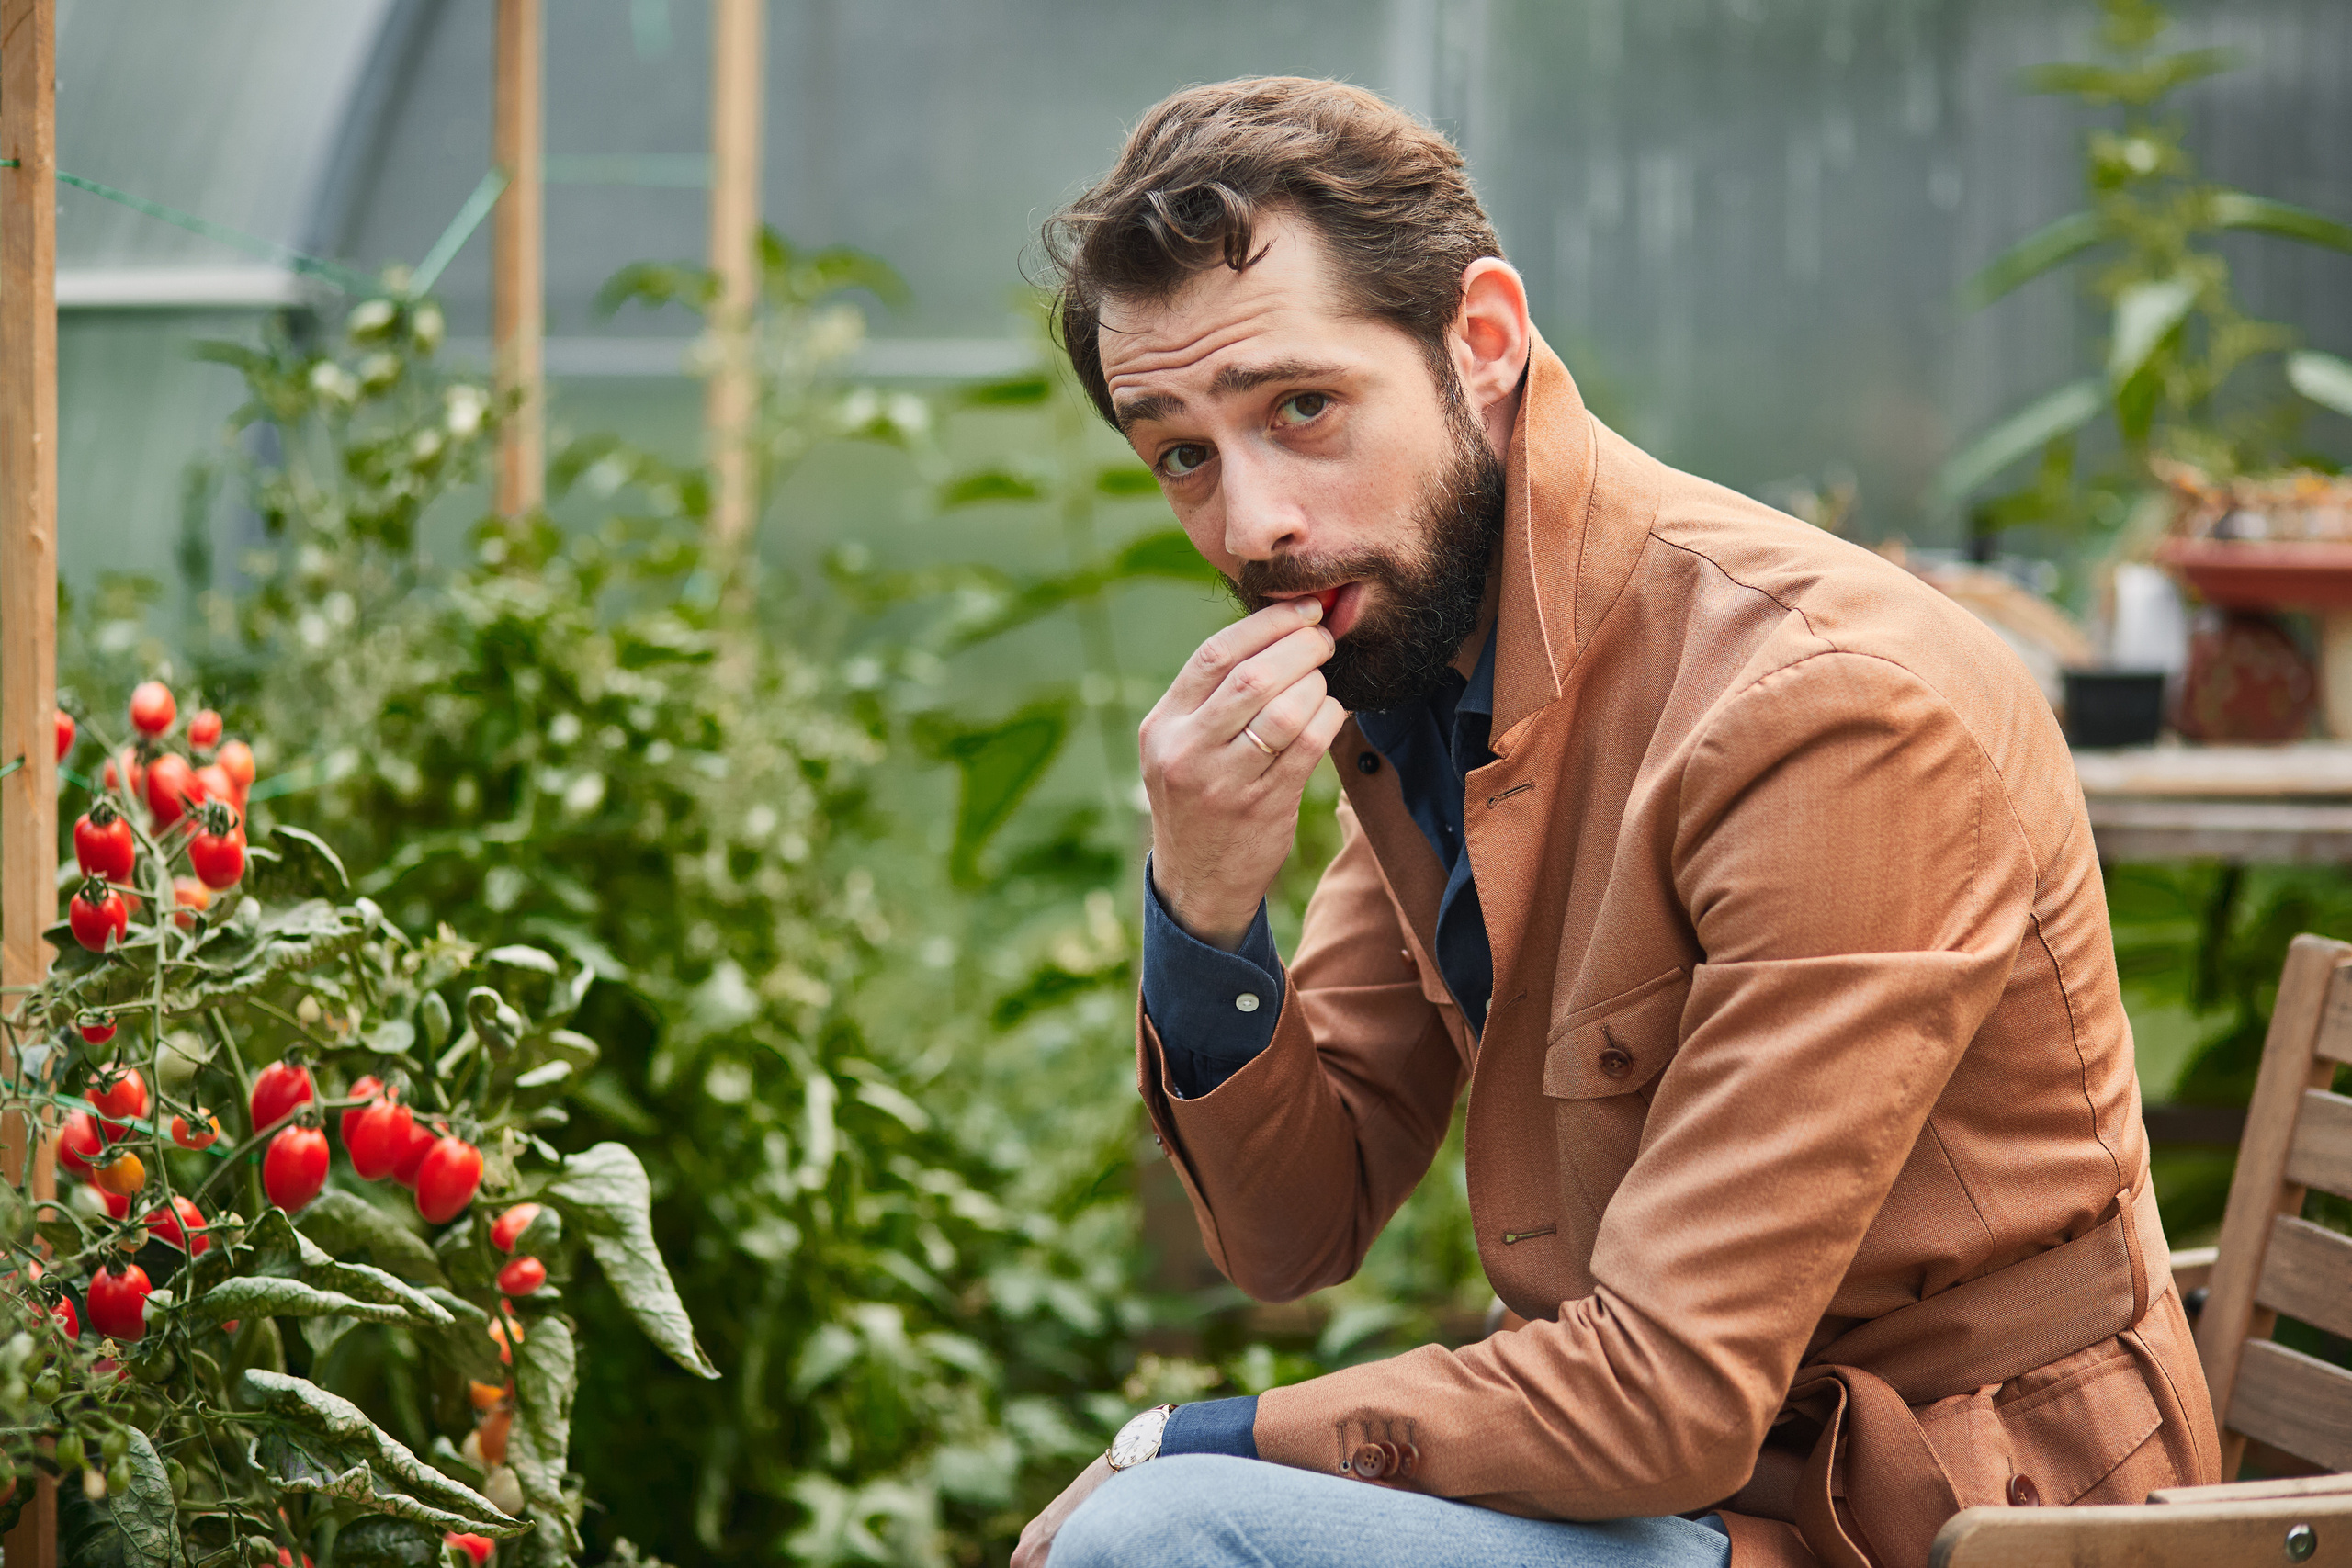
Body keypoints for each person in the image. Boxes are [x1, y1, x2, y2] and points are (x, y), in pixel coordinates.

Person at [1012, 77, 2217, 1568]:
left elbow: (1664, 1398)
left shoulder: (1827, 708)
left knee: (1170, 1534)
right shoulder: (1424, 661)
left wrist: (1180, 1439)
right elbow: (1291, 1236)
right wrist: (1202, 908)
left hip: (1944, 1514)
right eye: (1181, 452)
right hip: (1673, 1487)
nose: (1251, 524)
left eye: (1301, 407)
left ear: (1485, 340)